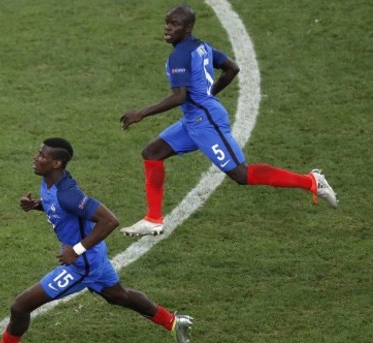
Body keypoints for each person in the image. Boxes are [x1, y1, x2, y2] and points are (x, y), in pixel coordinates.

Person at [0, 137, 192, 343]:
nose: (36, 158)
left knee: (20, 306)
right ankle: (174, 322)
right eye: (38, 153)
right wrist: (37, 206)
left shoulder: (69, 194)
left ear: (57, 163)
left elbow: (110, 221)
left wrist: (76, 250)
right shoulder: (50, 183)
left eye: (43, 155)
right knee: (118, 296)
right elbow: (62, 209)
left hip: (81, 265)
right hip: (93, 258)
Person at [119, 5, 338, 237]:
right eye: (167, 23)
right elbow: (231, 68)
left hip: (206, 122)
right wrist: (208, 95)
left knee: (241, 175)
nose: (168, 28)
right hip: (195, 119)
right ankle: (153, 219)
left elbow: (179, 96)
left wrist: (141, 113)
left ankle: (311, 181)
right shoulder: (200, 46)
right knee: (152, 153)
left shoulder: (179, 55)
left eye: (174, 24)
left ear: (188, 28)